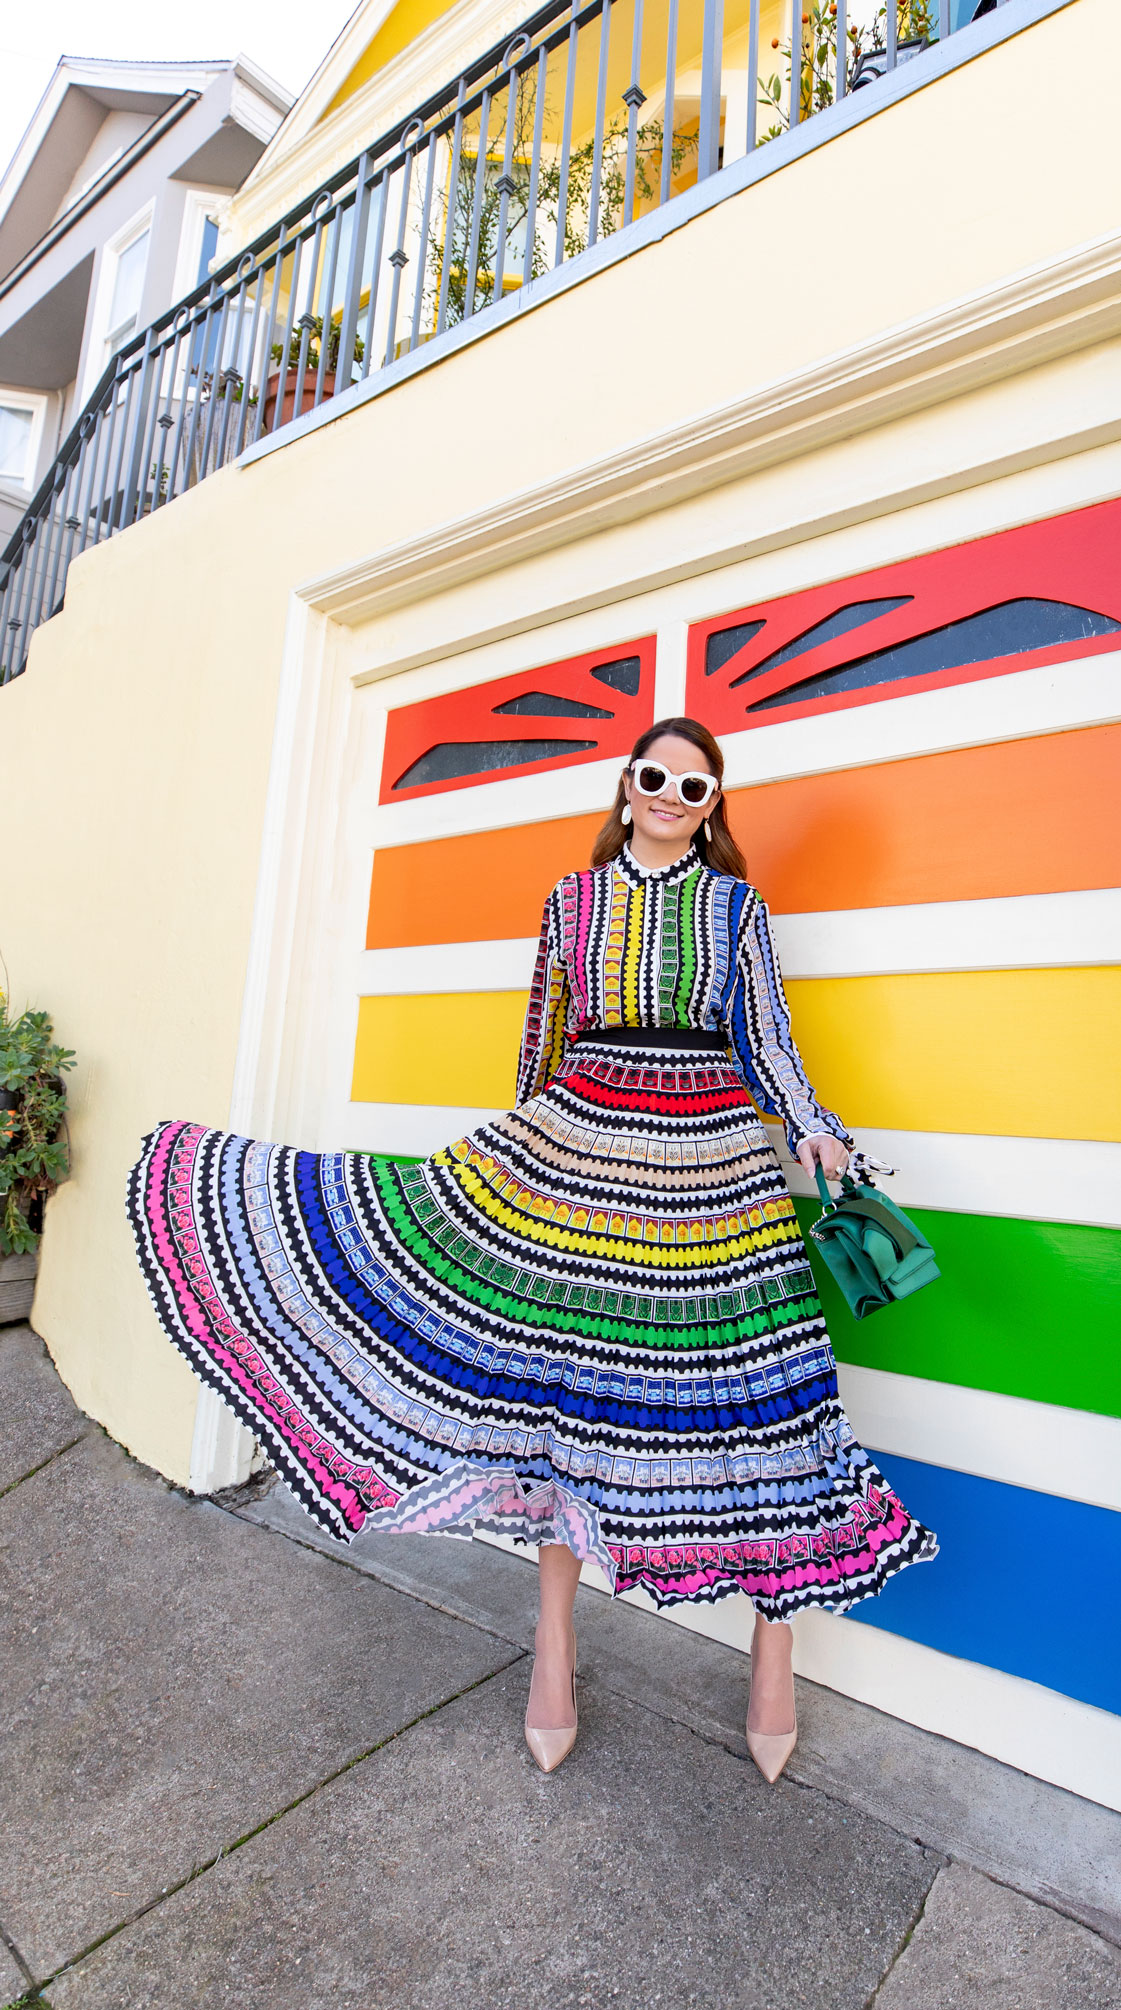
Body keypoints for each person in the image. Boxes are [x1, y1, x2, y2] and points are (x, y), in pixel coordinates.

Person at [128, 716, 935, 1782]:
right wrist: (518, 1174)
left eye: (694, 788)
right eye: (654, 777)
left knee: (767, 1398)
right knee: (564, 1397)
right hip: (583, 1148)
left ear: (711, 806)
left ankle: (771, 1659)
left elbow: (768, 1038)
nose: (668, 797)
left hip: (714, 1162)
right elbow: (539, 1039)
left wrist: (812, 1128)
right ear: (625, 785)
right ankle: (551, 1650)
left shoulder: (737, 908)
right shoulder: (570, 900)